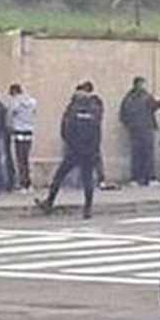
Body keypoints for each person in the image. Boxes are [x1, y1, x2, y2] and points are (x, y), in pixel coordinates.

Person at [35, 83, 104, 219]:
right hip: (89, 151)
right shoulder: (95, 109)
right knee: (87, 179)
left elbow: (65, 129)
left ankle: (49, 202)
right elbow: (97, 131)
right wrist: (95, 149)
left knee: (59, 175)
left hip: (74, 150)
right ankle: (88, 209)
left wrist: (71, 145)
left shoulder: (73, 109)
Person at [120, 76, 159, 186]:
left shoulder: (128, 98)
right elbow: (154, 107)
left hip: (135, 130)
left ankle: (136, 178)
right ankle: (149, 178)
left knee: (137, 154)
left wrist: (129, 126)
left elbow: (122, 115)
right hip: (145, 129)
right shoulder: (146, 97)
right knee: (146, 154)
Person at [7, 83, 37, 191]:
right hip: (29, 131)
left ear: (14, 91)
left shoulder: (15, 101)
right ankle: (29, 183)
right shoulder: (32, 101)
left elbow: (10, 115)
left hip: (18, 130)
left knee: (20, 159)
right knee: (26, 158)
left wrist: (9, 126)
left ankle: (23, 183)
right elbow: (34, 113)